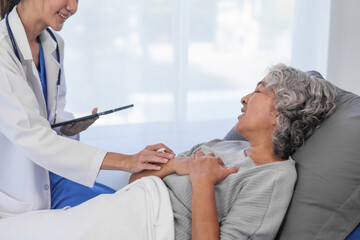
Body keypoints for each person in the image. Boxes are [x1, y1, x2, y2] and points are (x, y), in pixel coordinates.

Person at [0, 0, 175, 218]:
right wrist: (128, 161)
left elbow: (51, 115)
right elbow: (34, 137)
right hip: (19, 193)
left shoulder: (53, 44)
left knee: (137, 207)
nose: (73, 7)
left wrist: (68, 127)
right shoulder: (2, 52)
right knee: (133, 217)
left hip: (55, 177)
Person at [129, 64, 338, 239]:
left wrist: (203, 181)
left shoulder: (273, 177)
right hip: (123, 208)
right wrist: (175, 164)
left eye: (257, 91)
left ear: (279, 112)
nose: (244, 98)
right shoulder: (219, 145)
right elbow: (134, 182)